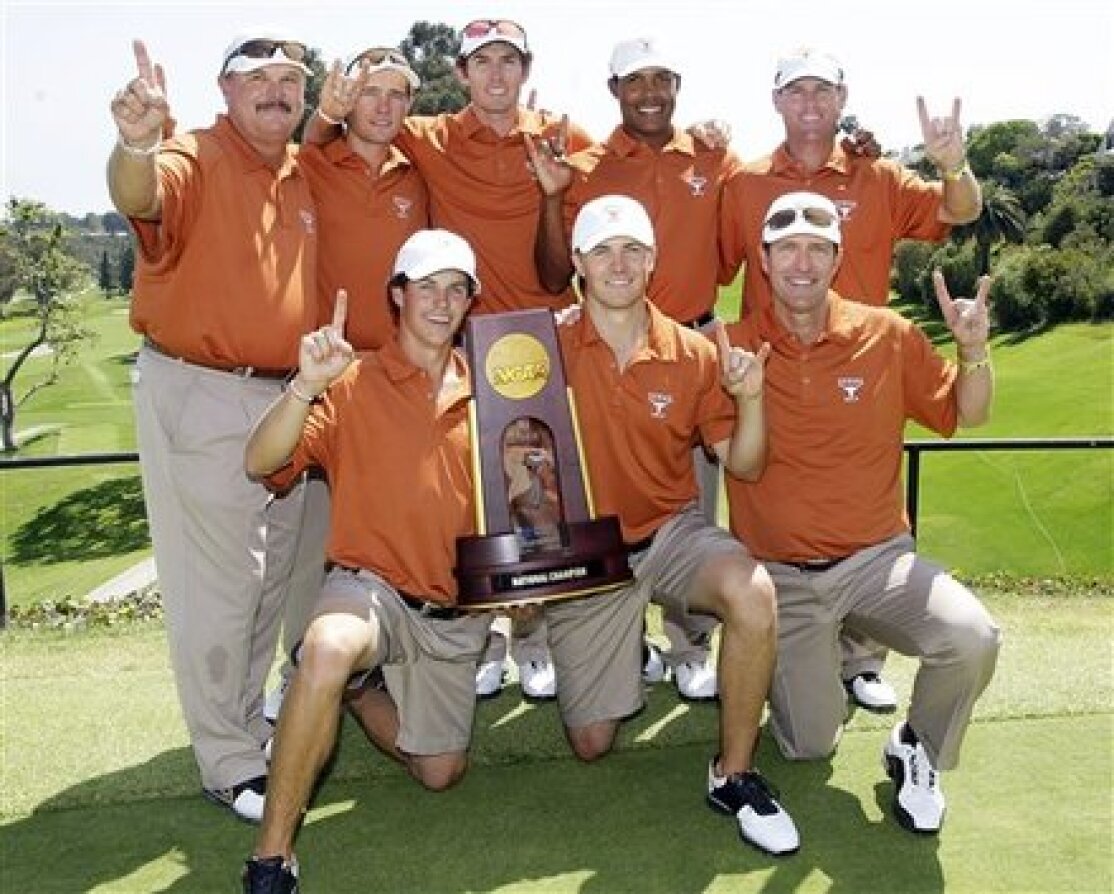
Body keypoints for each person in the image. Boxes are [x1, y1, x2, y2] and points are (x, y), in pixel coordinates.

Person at [309, 18, 597, 699]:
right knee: (468, 500)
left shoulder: (563, 136)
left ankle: (531, 638)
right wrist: (325, 112)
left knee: (534, 499)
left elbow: (562, 270)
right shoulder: (429, 135)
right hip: (456, 336)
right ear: (461, 73)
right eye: (482, 63)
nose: (496, 75)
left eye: (509, 61)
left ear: (526, 69)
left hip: (536, 347)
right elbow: (332, 144)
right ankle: (486, 634)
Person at [724, 191, 1001, 834]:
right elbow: (740, 465)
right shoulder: (734, 344)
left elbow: (970, 412)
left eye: (817, 249)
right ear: (762, 262)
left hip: (878, 561)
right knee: (808, 744)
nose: (802, 262)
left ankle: (918, 746)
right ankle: (793, 669)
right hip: (782, 578)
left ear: (836, 259)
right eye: (787, 248)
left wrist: (973, 350)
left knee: (972, 638)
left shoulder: (888, 333)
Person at [720, 47, 984, 712]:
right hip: (772, 368)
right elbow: (709, 265)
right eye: (796, 93)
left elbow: (959, 212)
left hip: (865, 362)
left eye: (822, 93)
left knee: (860, 514)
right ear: (777, 102)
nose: (810, 105)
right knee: (777, 504)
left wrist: (953, 163)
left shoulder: (880, 175)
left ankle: (862, 658)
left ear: (841, 100)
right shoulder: (744, 181)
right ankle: (775, 642)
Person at [545, 194, 799, 856]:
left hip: (668, 534)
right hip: (590, 558)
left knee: (753, 592)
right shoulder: (539, 347)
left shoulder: (693, 352)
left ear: (653, 259)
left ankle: (733, 772)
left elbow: (743, 465)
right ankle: (632, 648)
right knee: (592, 742)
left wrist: (751, 402)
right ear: (578, 263)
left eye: (632, 249)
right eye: (602, 251)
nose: (619, 264)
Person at [241, 229, 490, 893]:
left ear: (469, 302)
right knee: (324, 648)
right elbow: (261, 462)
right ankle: (272, 857)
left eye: (456, 289)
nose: (442, 302)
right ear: (398, 296)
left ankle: (356, 691)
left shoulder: (494, 388)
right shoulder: (352, 383)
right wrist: (304, 386)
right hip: (369, 589)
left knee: (439, 771)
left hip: (454, 609)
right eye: (427, 287)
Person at [107, 33, 317, 822]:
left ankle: (244, 721)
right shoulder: (192, 154)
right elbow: (141, 193)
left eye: (288, 80)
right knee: (221, 587)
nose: (274, 92)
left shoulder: (298, 173)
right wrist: (134, 141)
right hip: (202, 389)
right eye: (256, 79)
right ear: (224, 92)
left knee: (267, 580)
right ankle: (228, 761)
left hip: (283, 397)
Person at [528, 36, 748, 701]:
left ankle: (689, 644)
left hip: (691, 345)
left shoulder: (714, 156)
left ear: (677, 85)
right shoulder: (588, 166)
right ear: (613, 91)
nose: (648, 92)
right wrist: (551, 198)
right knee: (604, 493)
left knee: (690, 506)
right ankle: (619, 636)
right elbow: (552, 272)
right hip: (602, 346)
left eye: (661, 79)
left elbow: (742, 240)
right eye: (634, 81)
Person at [263, 46, 429, 726]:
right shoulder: (309, 164)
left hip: (394, 376)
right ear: (346, 100)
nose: (384, 106)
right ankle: (300, 664)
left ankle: (380, 664)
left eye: (397, 94)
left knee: (389, 523)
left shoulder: (418, 175)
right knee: (307, 535)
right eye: (370, 92)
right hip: (327, 366)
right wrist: (318, 126)